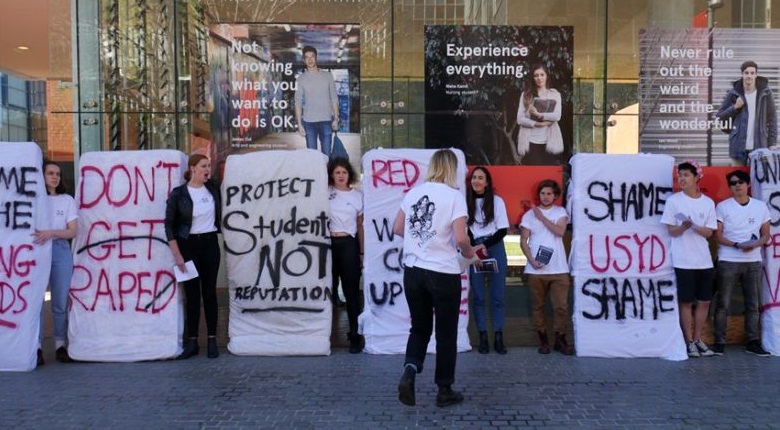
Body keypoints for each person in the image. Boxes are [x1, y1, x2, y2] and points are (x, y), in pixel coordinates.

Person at [393, 149, 474, 408]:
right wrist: (471, 254)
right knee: (446, 333)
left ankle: (409, 371)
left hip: (413, 271)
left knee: (419, 327)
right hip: (443, 272)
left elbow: (397, 228)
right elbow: (461, 238)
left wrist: (421, 245)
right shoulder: (454, 196)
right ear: (452, 169)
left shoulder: (414, 193)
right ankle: (444, 389)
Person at [164, 154, 222, 359]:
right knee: (192, 294)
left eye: (209, 166)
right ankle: (193, 342)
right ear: (193, 168)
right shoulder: (179, 193)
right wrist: (177, 255)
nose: (208, 169)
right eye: (203, 166)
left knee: (209, 293)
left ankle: (213, 340)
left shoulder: (213, 188)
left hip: (210, 244)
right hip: (188, 245)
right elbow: (169, 225)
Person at [660, 160, 717, 358]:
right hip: (682, 260)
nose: (681, 179)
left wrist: (694, 226)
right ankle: (688, 341)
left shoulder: (708, 202)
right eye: (679, 175)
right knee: (685, 302)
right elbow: (670, 231)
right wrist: (683, 227)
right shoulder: (674, 201)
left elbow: (710, 233)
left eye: (685, 175)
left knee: (704, 301)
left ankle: (698, 338)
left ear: (696, 177)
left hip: (704, 260)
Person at [712, 170, 771, 356]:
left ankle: (752, 341)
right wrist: (736, 245)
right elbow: (717, 235)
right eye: (733, 183)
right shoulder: (722, 207)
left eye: (741, 182)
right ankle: (719, 341)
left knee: (753, 304)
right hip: (728, 260)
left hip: (753, 261)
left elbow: (766, 235)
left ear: (748, 185)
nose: (737, 185)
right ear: (730, 187)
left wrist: (754, 245)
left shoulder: (761, 206)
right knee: (723, 303)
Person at [519, 179, 573, 355]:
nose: (546, 197)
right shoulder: (528, 215)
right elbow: (523, 241)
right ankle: (543, 341)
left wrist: (542, 218)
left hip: (559, 269)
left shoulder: (560, 211)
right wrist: (531, 260)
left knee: (561, 307)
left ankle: (560, 339)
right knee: (538, 306)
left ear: (555, 195)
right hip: (536, 270)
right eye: (543, 193)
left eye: (549, 193)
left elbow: (560, 231)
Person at [33, 161, 78, 365]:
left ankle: (60, 344)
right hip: (37, 249)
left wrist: (51, 233)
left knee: (60, 301)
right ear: (42, 176)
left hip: (60, 249)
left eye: (58, 174)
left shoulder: (67, 200)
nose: (55, 177)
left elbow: (72, 231)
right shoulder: (34, 199)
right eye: (50, 173)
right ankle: (38, 347)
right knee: (37, 302)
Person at [466, 167, 509, 354]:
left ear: (487, 182)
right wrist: (472, 249)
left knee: (497, 296)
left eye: (480, 178)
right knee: (478, 296)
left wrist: (484, 247)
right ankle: (483, 336)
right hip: (474, 247)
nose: (476, 181)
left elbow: (502, 230)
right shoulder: (464, 201)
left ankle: (499, 337)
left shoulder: (497, 201)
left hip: (494, 247)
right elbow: (464, 229)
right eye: (474, 177)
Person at [327, 157, 364, 353]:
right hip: (327, 244)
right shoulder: (325, 192)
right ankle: (324, 335)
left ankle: (355, 334)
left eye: (344, 172)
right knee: (327, 292)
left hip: (348, 243)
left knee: (351, 292)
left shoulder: (357, 196)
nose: (340, 176)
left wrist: (362, 252)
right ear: (331, 174)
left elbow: (360, 226)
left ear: (349, 174)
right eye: (337, 172)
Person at [716, 60, 777, 166]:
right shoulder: (733, 93)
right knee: (737, 179)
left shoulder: (766, 93)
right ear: (742, 74)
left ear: (756, 74)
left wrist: (772, 143)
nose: (749, 76)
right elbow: (720, 116)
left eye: (752, 73)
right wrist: (734, 107)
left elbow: (772, 119)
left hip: (760, 146)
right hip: (738, 147)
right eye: (746, 73)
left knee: (759, 179)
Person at [295, 45, 339, 157]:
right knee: (312, 157)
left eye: (312, 57)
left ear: (316, 58)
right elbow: (298, 102)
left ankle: (326, 175)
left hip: (326, 120)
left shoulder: (328, 76)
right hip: (309, 122)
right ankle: (314, 175)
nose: (310, 60)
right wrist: (300, 124)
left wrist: (336, 118)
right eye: (307, 57)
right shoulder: (301, 79)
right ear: (304, 60)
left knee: (326, 155)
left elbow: (334, 98)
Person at [516, 63, 564, 165]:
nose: (539, 78)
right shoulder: (526, 95)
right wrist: (538, 124)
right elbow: (520, 119)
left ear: (546, 76)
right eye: (536, 75)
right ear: (533, 78)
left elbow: (557, 116)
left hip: (550, 141)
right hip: (530, 141)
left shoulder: (555, 94)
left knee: (548, 174)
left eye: (542, 75)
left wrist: (539, 115)